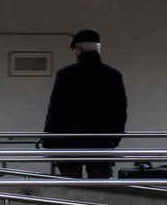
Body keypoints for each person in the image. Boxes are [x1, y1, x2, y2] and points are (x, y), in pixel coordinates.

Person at [42, 29, 128, 178]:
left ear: (78, 50)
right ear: (98, 49)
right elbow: (120, 112)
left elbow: (55, 110)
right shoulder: (113, 75)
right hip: (101, 145)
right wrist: (113, 139)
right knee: (99, 189)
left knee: (71, 189)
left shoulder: (65, 74)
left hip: (69, 145)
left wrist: (49, 140)